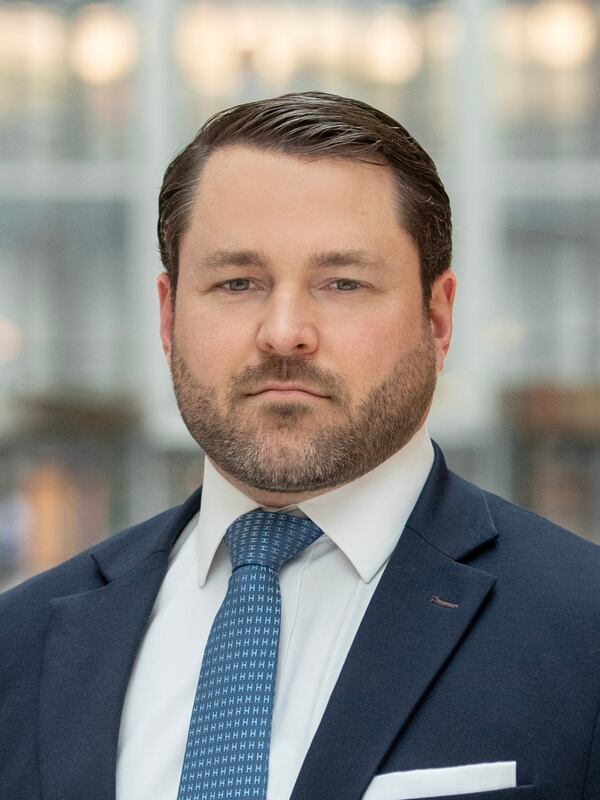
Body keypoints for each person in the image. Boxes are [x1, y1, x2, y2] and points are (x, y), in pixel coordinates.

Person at [1, 91, 599, 800]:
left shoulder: (582, 630)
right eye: (238, 282)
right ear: (167, 317)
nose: (284, 332)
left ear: (436, 320)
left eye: (342, 282)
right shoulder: (21, 643)